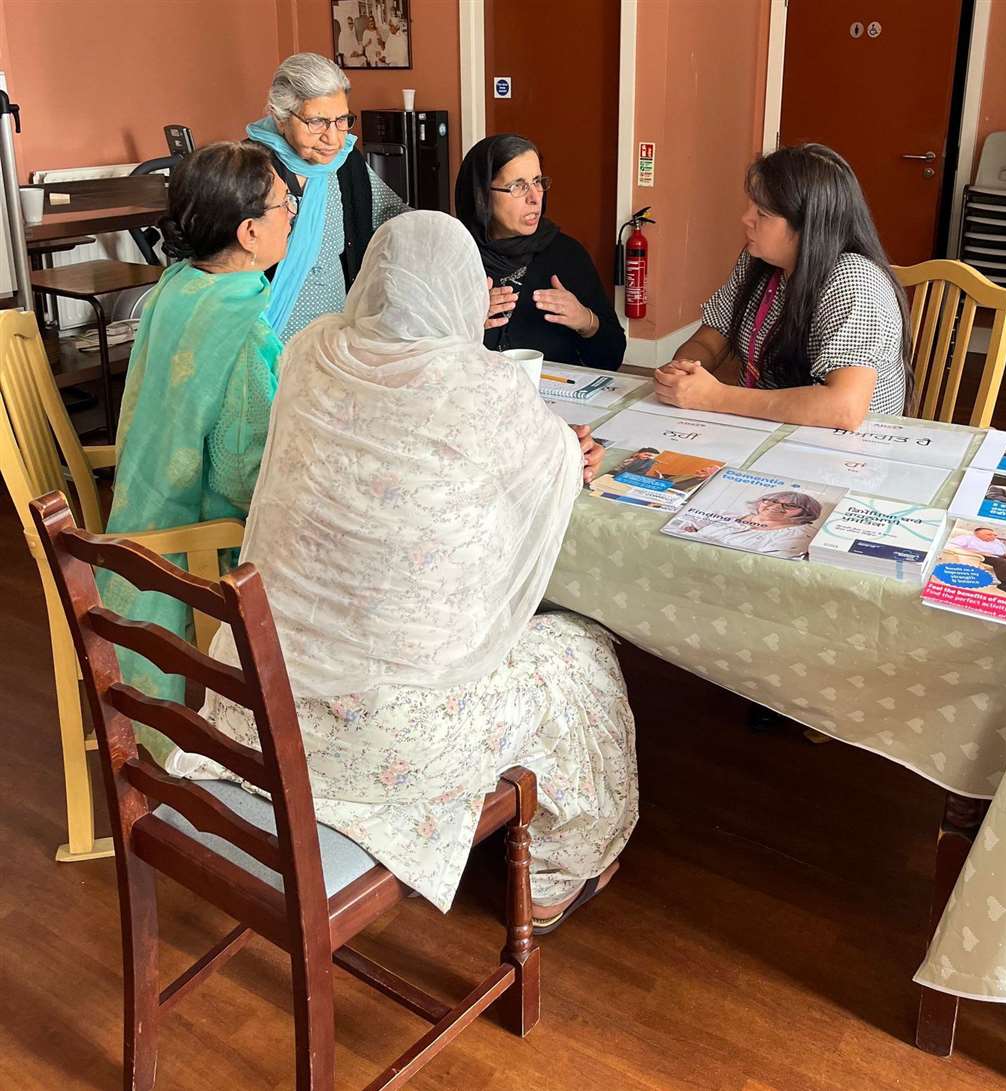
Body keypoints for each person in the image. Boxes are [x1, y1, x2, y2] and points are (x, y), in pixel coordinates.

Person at [168, 212, 638, 931]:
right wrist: (566, 456)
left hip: (257, 698)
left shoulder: (310, 350)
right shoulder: (486, 385)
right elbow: (548, 477)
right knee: (581, 655)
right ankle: (553, 874)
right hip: (384, 737)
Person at [99, 141, 293, 763]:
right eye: (285, 206)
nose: (291, 215)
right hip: (195, 547)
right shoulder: (241, 325)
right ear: (249, 230)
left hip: (138, 514)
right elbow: (246, 477)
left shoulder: (176, 287)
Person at [654, 144, 911, 430]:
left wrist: (716, 396)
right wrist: (686, 371)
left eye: (762, 214)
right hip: (770, 429)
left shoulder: (853, 279)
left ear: (809, 226)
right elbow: (710, 339)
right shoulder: (759, 261)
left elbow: (844, 408)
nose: (745, 218)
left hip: (845, 453)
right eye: (751, 204)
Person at [247, 52, 409, 341]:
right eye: (317, 122)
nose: (333, 138)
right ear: (280, 117)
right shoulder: (249, 168)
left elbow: (391, 214)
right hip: (268, 336)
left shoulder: (345, 161)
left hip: (334, 336)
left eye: (342, 120)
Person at [456, 133, 626, 370]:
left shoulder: (566, 254)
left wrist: (586, 321)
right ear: (481, 194)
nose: (535, 198)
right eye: (518, 186)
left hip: (552, 403)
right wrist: (463, 327)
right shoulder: (452, 258)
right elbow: (414, 363)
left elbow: (612, 357)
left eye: (537, 182)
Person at [680, 491, 823, 559]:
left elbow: (763, 561)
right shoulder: (726, 515)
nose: (775, 507)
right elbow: (679, 525)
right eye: (771, 501)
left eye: (790, 505)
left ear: (807, 512)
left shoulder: (803, 535)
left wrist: (695, 534)